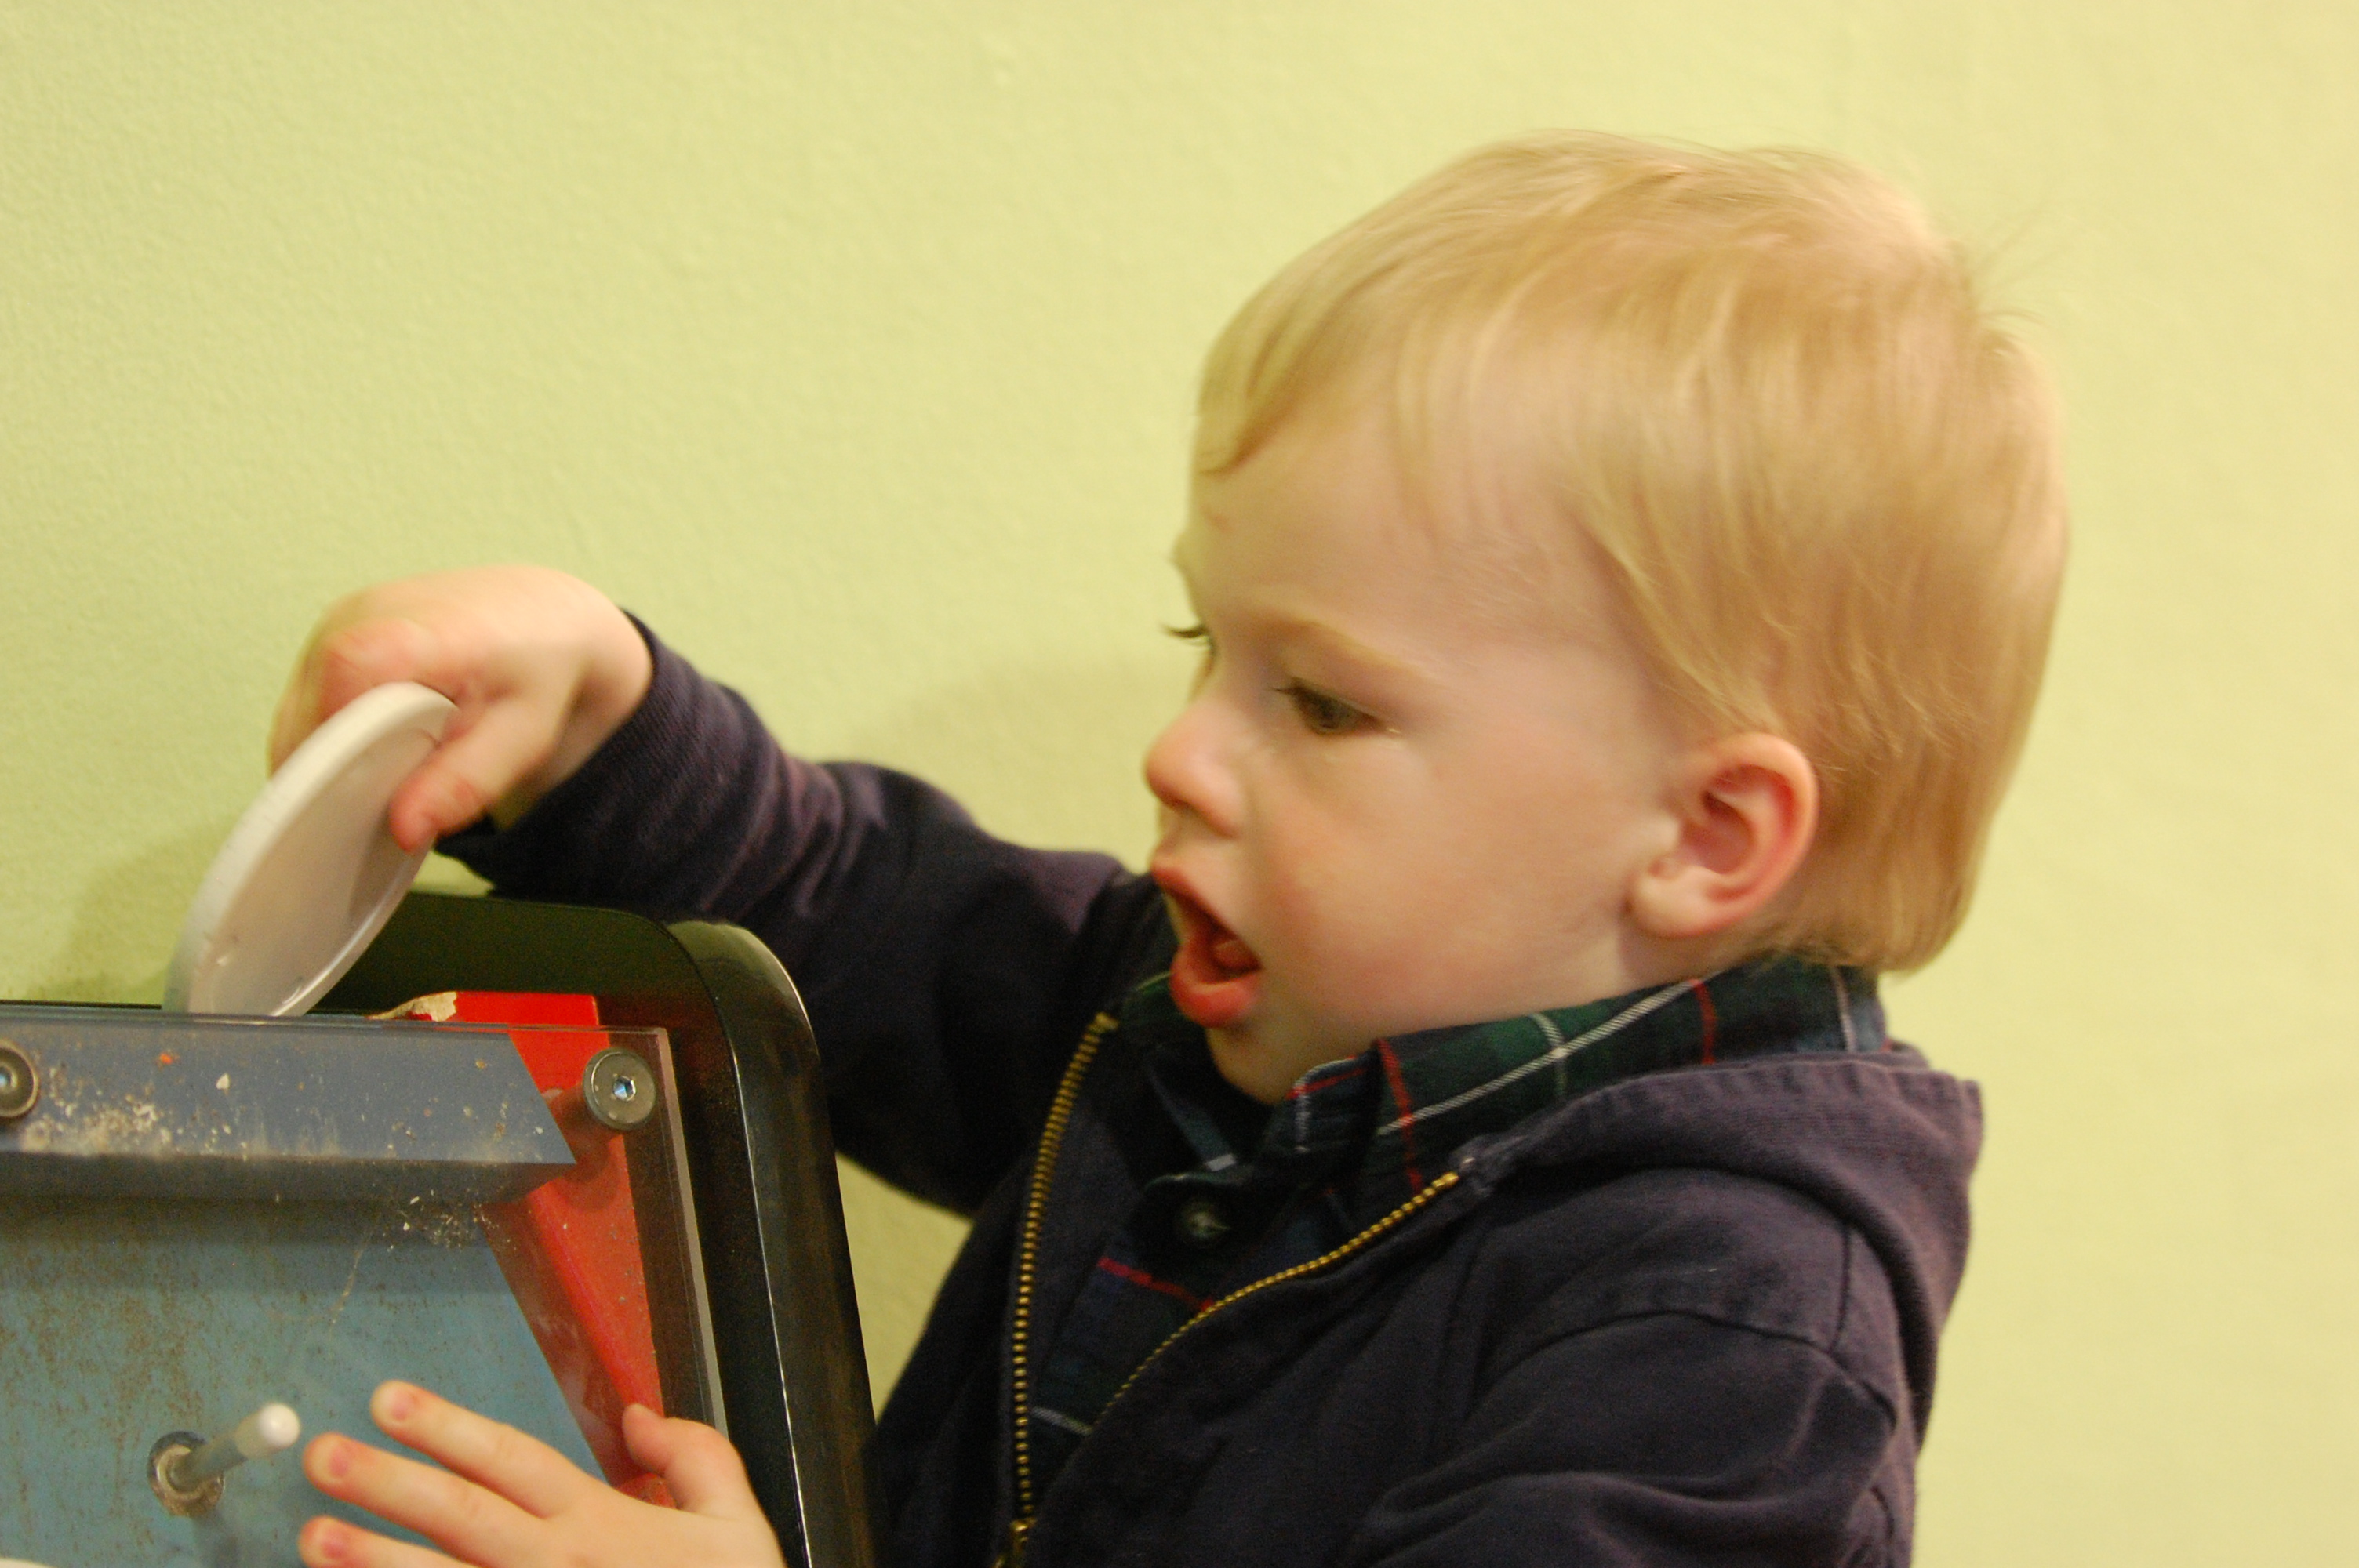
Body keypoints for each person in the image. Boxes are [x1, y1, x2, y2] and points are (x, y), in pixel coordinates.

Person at [276, 132, 2066, 1568]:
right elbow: (849, 908)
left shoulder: (1726, 1348)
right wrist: (597, 726)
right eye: (1202, 649)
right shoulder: (1193, 1023)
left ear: (1705, 837)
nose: (1180, 752)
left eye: (1326, 705)